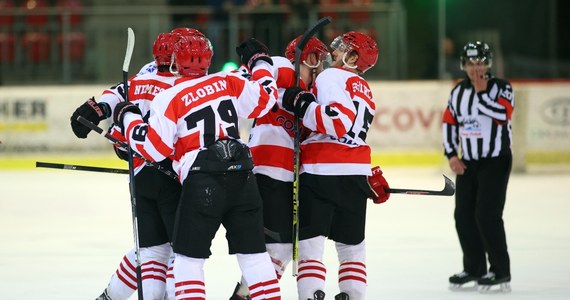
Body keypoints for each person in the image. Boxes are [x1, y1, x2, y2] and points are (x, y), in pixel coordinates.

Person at [112, 35, 281, 300]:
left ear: (176, 64)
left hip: (203, 182)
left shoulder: (169, 97)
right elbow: (266, 97)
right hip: (242, 176)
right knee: (255, 258)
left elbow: (154, 149)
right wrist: (260, 62)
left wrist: (128, 117)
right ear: (209, 60)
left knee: (187, 262)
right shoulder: (229, 81)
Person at [70, 30, 192, 300]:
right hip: (173, 173)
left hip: (140, 175)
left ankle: (110, 296)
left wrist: (97, 108)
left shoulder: (142, 76)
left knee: (150, 251)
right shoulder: (185, 83)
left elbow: (117, 98)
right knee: (180, 252)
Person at [281, 31, 390, 300]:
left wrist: (302, 103)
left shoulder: (331, 76)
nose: (334, 53)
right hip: (355, 174)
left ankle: (311, 294)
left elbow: (337, 122)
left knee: (310, 247)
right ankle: (353, 295)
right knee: (352, 247)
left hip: (322, 172)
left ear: (354, 58)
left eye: (342, 49)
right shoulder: (364, 88)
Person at [230, 35, 331, 300]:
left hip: (283, 176)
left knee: (279, 250)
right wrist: (257, 63)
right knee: (278, 249)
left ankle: (244, 293)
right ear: (309, 58)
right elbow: (251, 74)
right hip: (268, 171)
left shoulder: (311, 94)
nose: (321, 70)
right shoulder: (285, 68)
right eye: (319, 62)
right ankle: (248, 294)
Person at [442, 41, 514, 293]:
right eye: (471, 63)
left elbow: (503, 115)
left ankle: (500, 271)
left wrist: (482, 93)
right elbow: (449, 122)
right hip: (468, 162)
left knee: (486, 215)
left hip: (496, 160)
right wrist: (451, 154)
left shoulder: (501, 88)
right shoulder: (458, 92)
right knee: (463, 216)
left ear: (488, 64)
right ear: (464, 64)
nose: (475, 68)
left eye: (480, 63)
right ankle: (474, 268)